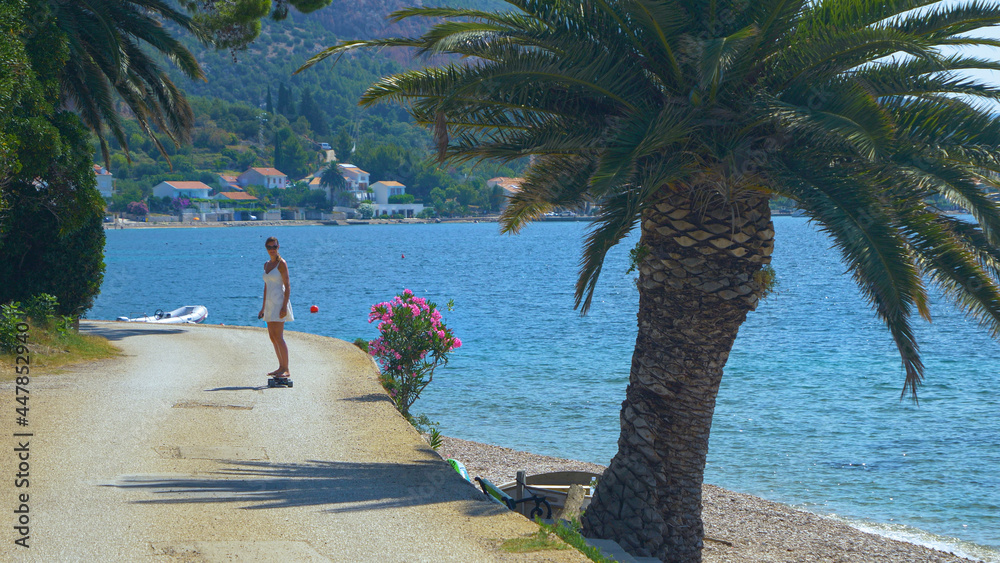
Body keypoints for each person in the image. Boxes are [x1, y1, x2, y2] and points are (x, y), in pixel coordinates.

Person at [258, 236, 294, 377]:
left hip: (279, 302)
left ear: (278, 247)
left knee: (279, 337)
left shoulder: (281, 263)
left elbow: (288, 285)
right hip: (269, 304)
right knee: (272, 337)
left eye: (274, 247)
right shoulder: (266, 265)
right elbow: (266, 286)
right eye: (269, 247)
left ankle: (286, 369)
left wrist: (284, 306)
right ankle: (280, 367)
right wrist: (262, 307)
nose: (272, 250)